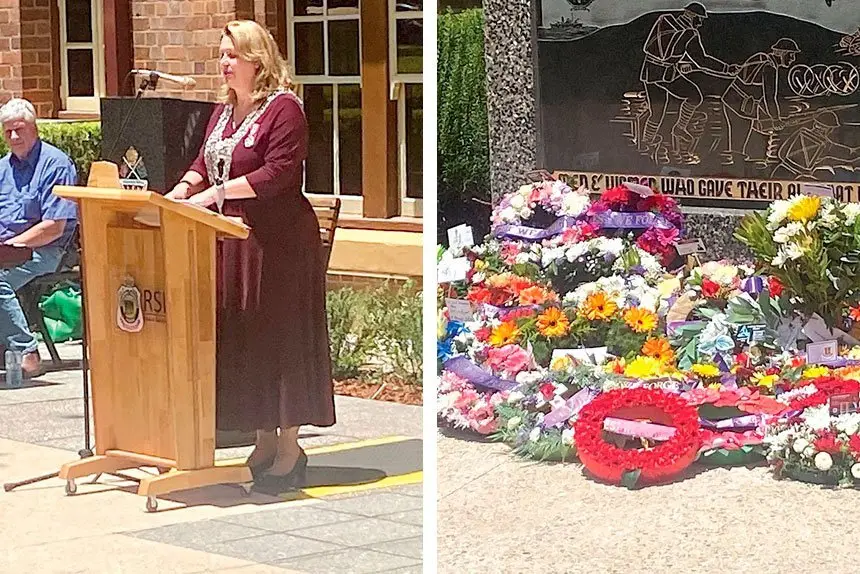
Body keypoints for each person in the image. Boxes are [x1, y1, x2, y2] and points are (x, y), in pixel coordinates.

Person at [166, 20, 335, 490]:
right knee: (248, 338)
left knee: (280, 338)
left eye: (232, 55)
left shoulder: (284, 109)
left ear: (256, 59)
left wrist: (212, 196)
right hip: (233, 238)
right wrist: (182, 190)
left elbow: (278, 173)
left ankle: (290, 448)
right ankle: (262, 440)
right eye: (221, 55)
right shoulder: (225, 112)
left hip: (278, 244)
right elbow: (204, 162)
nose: (224, 64)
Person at [0, 98, 78, 378]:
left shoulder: (56, 165)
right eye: (8, 131)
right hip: (6, 249)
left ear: (35, 128)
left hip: (46, 250)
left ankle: (26, 352)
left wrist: (12, 246)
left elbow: (54, 227)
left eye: (19, 129)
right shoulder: (2, 168)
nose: (14, 137)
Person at [639, 2, 739, 153]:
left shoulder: (665, 20)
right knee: (694, 97)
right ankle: (679, 128)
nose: (700, 23)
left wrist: (680, 64)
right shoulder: (689, 33)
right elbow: (702, 60)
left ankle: (646, 142)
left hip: (649, 71)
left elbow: (660, 51)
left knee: (656, 111)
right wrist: (726, 69)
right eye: (699, 19)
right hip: (667, 75)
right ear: (692, 16)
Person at [722, 38, 801, 164]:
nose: (793, 59)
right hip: (739, 105)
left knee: (739, 137)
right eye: (791, 55)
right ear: (781, 53)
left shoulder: (762, 58)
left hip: (734, 101)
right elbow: (769, 96)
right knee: (739, 136)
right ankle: (736, 165)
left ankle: (736, 161)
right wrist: (775, 119)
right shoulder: (769, 67)